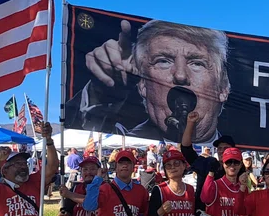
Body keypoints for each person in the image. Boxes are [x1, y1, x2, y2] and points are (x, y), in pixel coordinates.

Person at [74, 19, 231, 143]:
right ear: (142, 84)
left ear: (223, 88)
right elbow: (89, 129)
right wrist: (99, 93)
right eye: (163, 61)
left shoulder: (231, 159)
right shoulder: (124, 143)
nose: (181, 75)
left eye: (197, 63)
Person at [181, 111, 233, 207]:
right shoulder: (208, 163)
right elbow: (186, 150)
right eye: (219, 148)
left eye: (225, 148)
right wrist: (190, 123)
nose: (221, 151)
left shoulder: (238, 170)